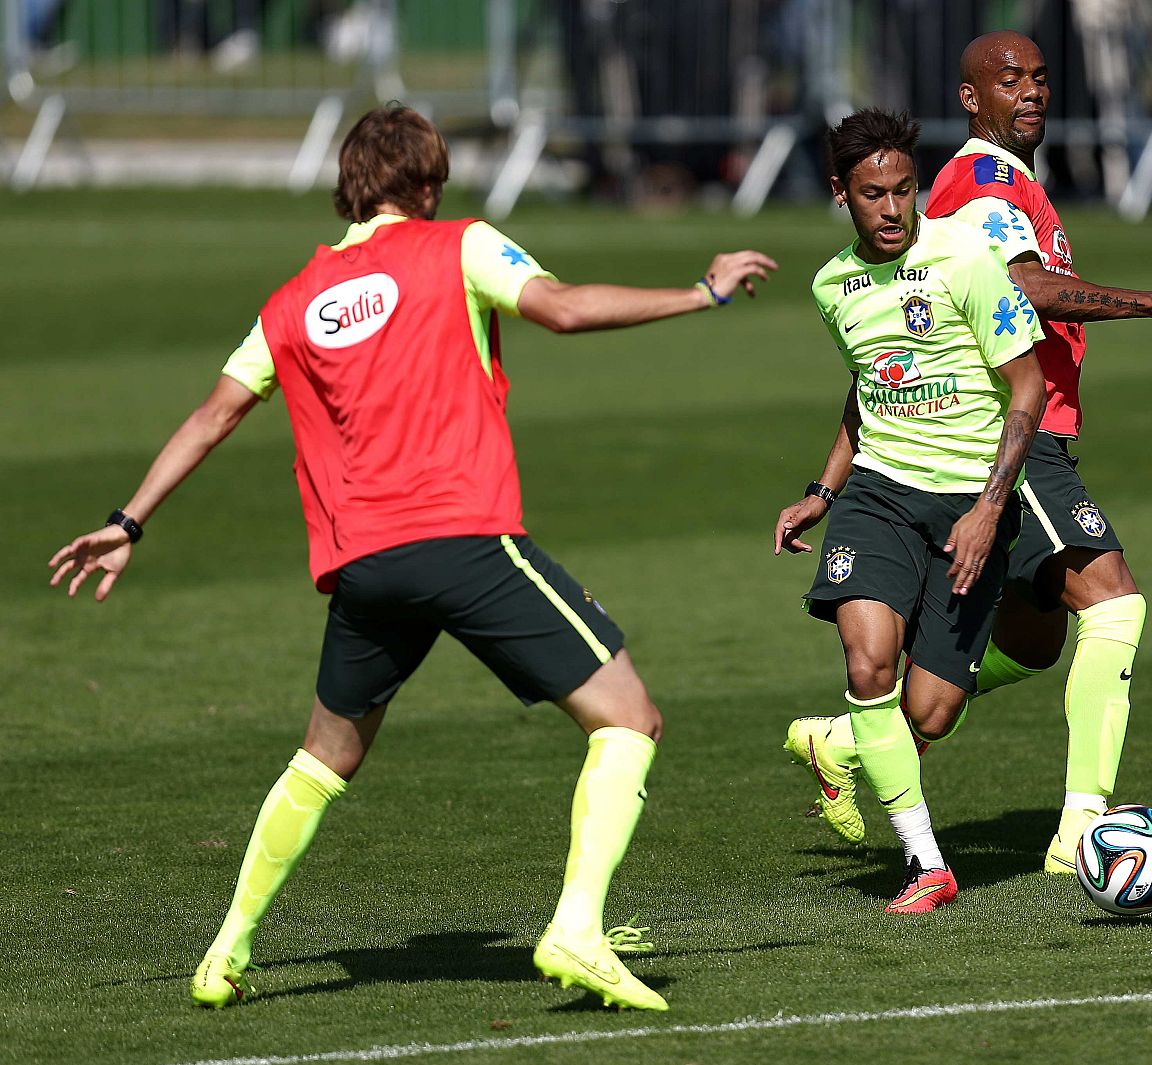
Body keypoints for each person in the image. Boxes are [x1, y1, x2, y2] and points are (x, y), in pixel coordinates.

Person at [47, 104, 775, 1012]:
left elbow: (213, 414)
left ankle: (224, 951)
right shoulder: (457, 244)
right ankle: (578, 928)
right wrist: (698, 294)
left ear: (350, 185)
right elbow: (562, 309)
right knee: (629, 721)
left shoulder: (291, 302)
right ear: (427, 187)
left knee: (323, 758)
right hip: (463, 538)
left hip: (364, 566)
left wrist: (129, 520)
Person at [784, 30, 1152, 875]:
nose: (1032, 93)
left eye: (1041, 79)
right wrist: (1149, 302)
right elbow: (1023, 286)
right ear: (971, 98)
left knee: (1037, 640)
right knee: (1116, 605)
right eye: (1009, 80)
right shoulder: (982, 187)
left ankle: (846, 736)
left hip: (1026, 432)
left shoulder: (999, 183)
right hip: (1018, 434)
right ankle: (1081, 832)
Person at [773, 107, 1044, 913]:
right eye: (872, 195)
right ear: (839, 194)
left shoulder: (965, 257)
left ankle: (836, 746)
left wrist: (990, 509)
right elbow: (869, 384)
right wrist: (824, 491)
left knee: (931, 707)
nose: (892, 211)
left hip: (971, 500)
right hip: (881, 496)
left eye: (904, 191)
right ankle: (927, 865)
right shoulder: (833, 286)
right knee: (868, 668)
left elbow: (1026, 385)